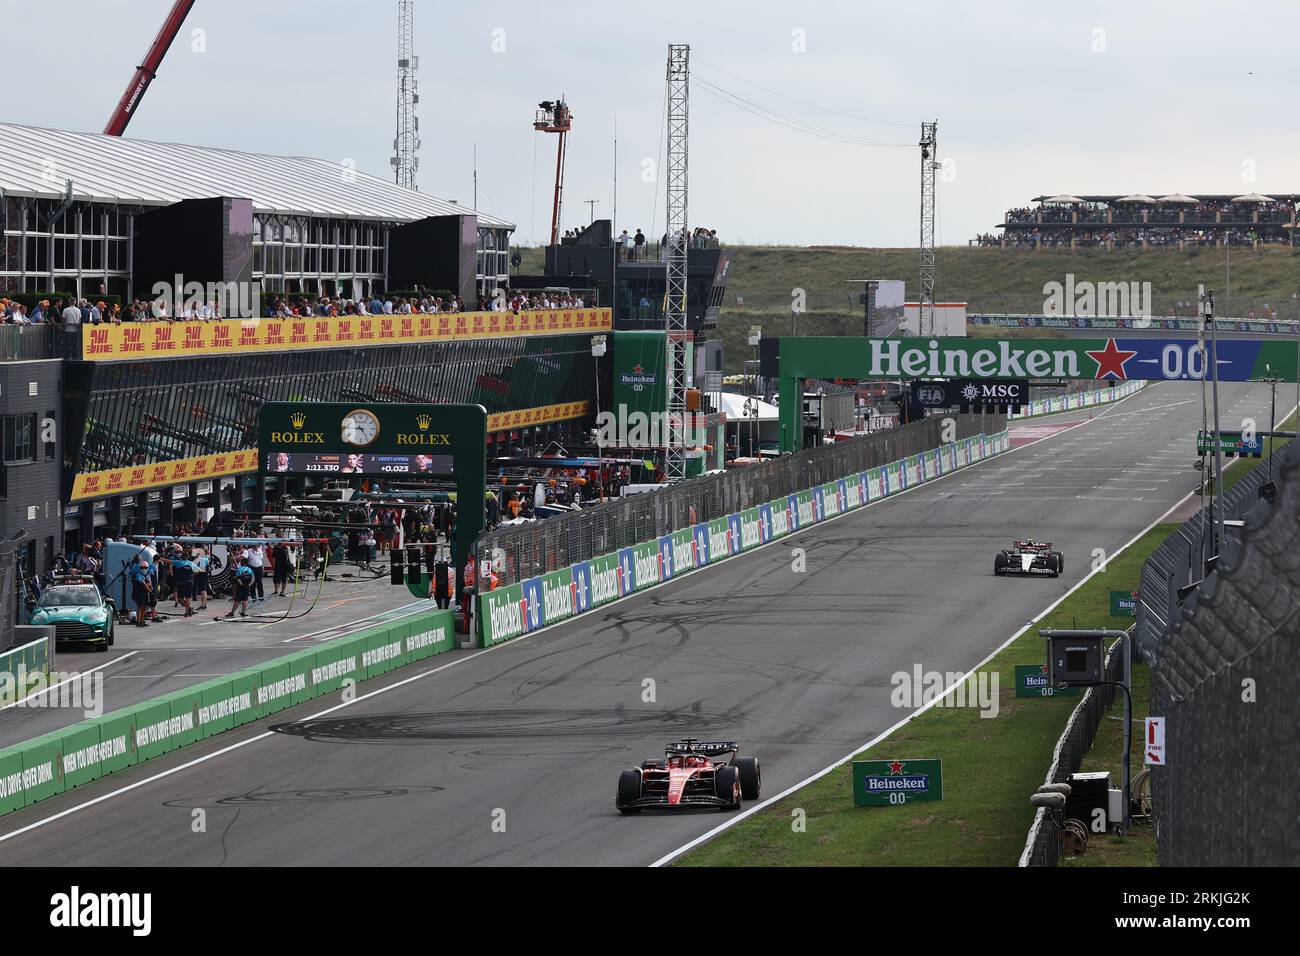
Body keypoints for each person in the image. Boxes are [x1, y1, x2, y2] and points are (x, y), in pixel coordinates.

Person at [171, 550, 196, 617]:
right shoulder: (191, 563)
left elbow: (168, 561)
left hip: (182, 583)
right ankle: (188, 611)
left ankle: (187, 611)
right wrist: (192, 575)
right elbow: (198, 570)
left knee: (180, 599)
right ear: (188, 557)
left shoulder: (179, 563)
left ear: (182, 557)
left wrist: (160, 558)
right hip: (190, 582)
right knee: (188, 598)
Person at [129, 556, 152, 627]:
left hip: (145, 592)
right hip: (140, 592)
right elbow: (143, 583)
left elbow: (149, 583)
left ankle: (142, 620)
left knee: (145, 606)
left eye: (145, 568)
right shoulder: (138, 573)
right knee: (140, 606)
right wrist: (150, 590)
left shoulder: (146, 574)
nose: (144, 569)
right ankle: (138, 621)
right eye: (142, 568)